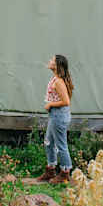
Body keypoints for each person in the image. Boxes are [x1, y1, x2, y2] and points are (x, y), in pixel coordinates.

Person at [37, 54, 74, 184]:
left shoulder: (59, 82)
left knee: (61, 145)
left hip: (59, 115)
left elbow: (66, 101)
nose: (49, 61)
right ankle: (50, 170)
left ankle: (65, 172)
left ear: (57, 65)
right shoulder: (55, 79)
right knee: (49, 142)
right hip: (55, 115)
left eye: (52, 60)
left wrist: (50, 104)